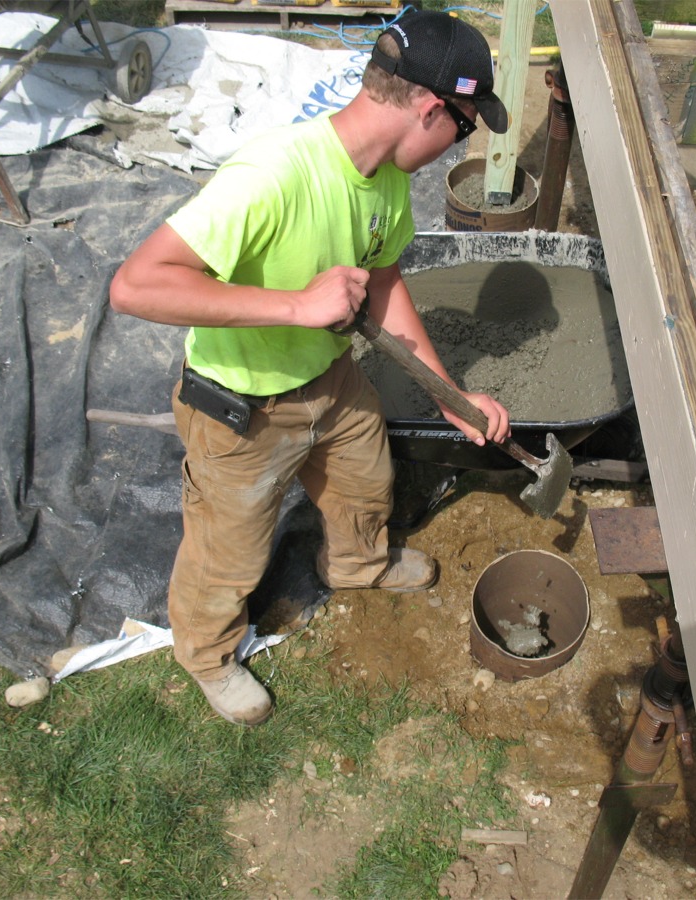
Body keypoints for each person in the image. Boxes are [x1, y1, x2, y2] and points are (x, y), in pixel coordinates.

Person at [109, 10, 511, 727]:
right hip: (241, 408)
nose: (463, 142)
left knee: (367, 478)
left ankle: (355, 566)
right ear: (430, 108)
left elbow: (382, 285)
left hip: (330, 380)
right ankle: (207, 655)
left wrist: (445, 393)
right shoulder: (272, 176)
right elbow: (135, 284)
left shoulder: (384, 181)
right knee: (227, 555)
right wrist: (296, 306)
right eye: (468, 126)